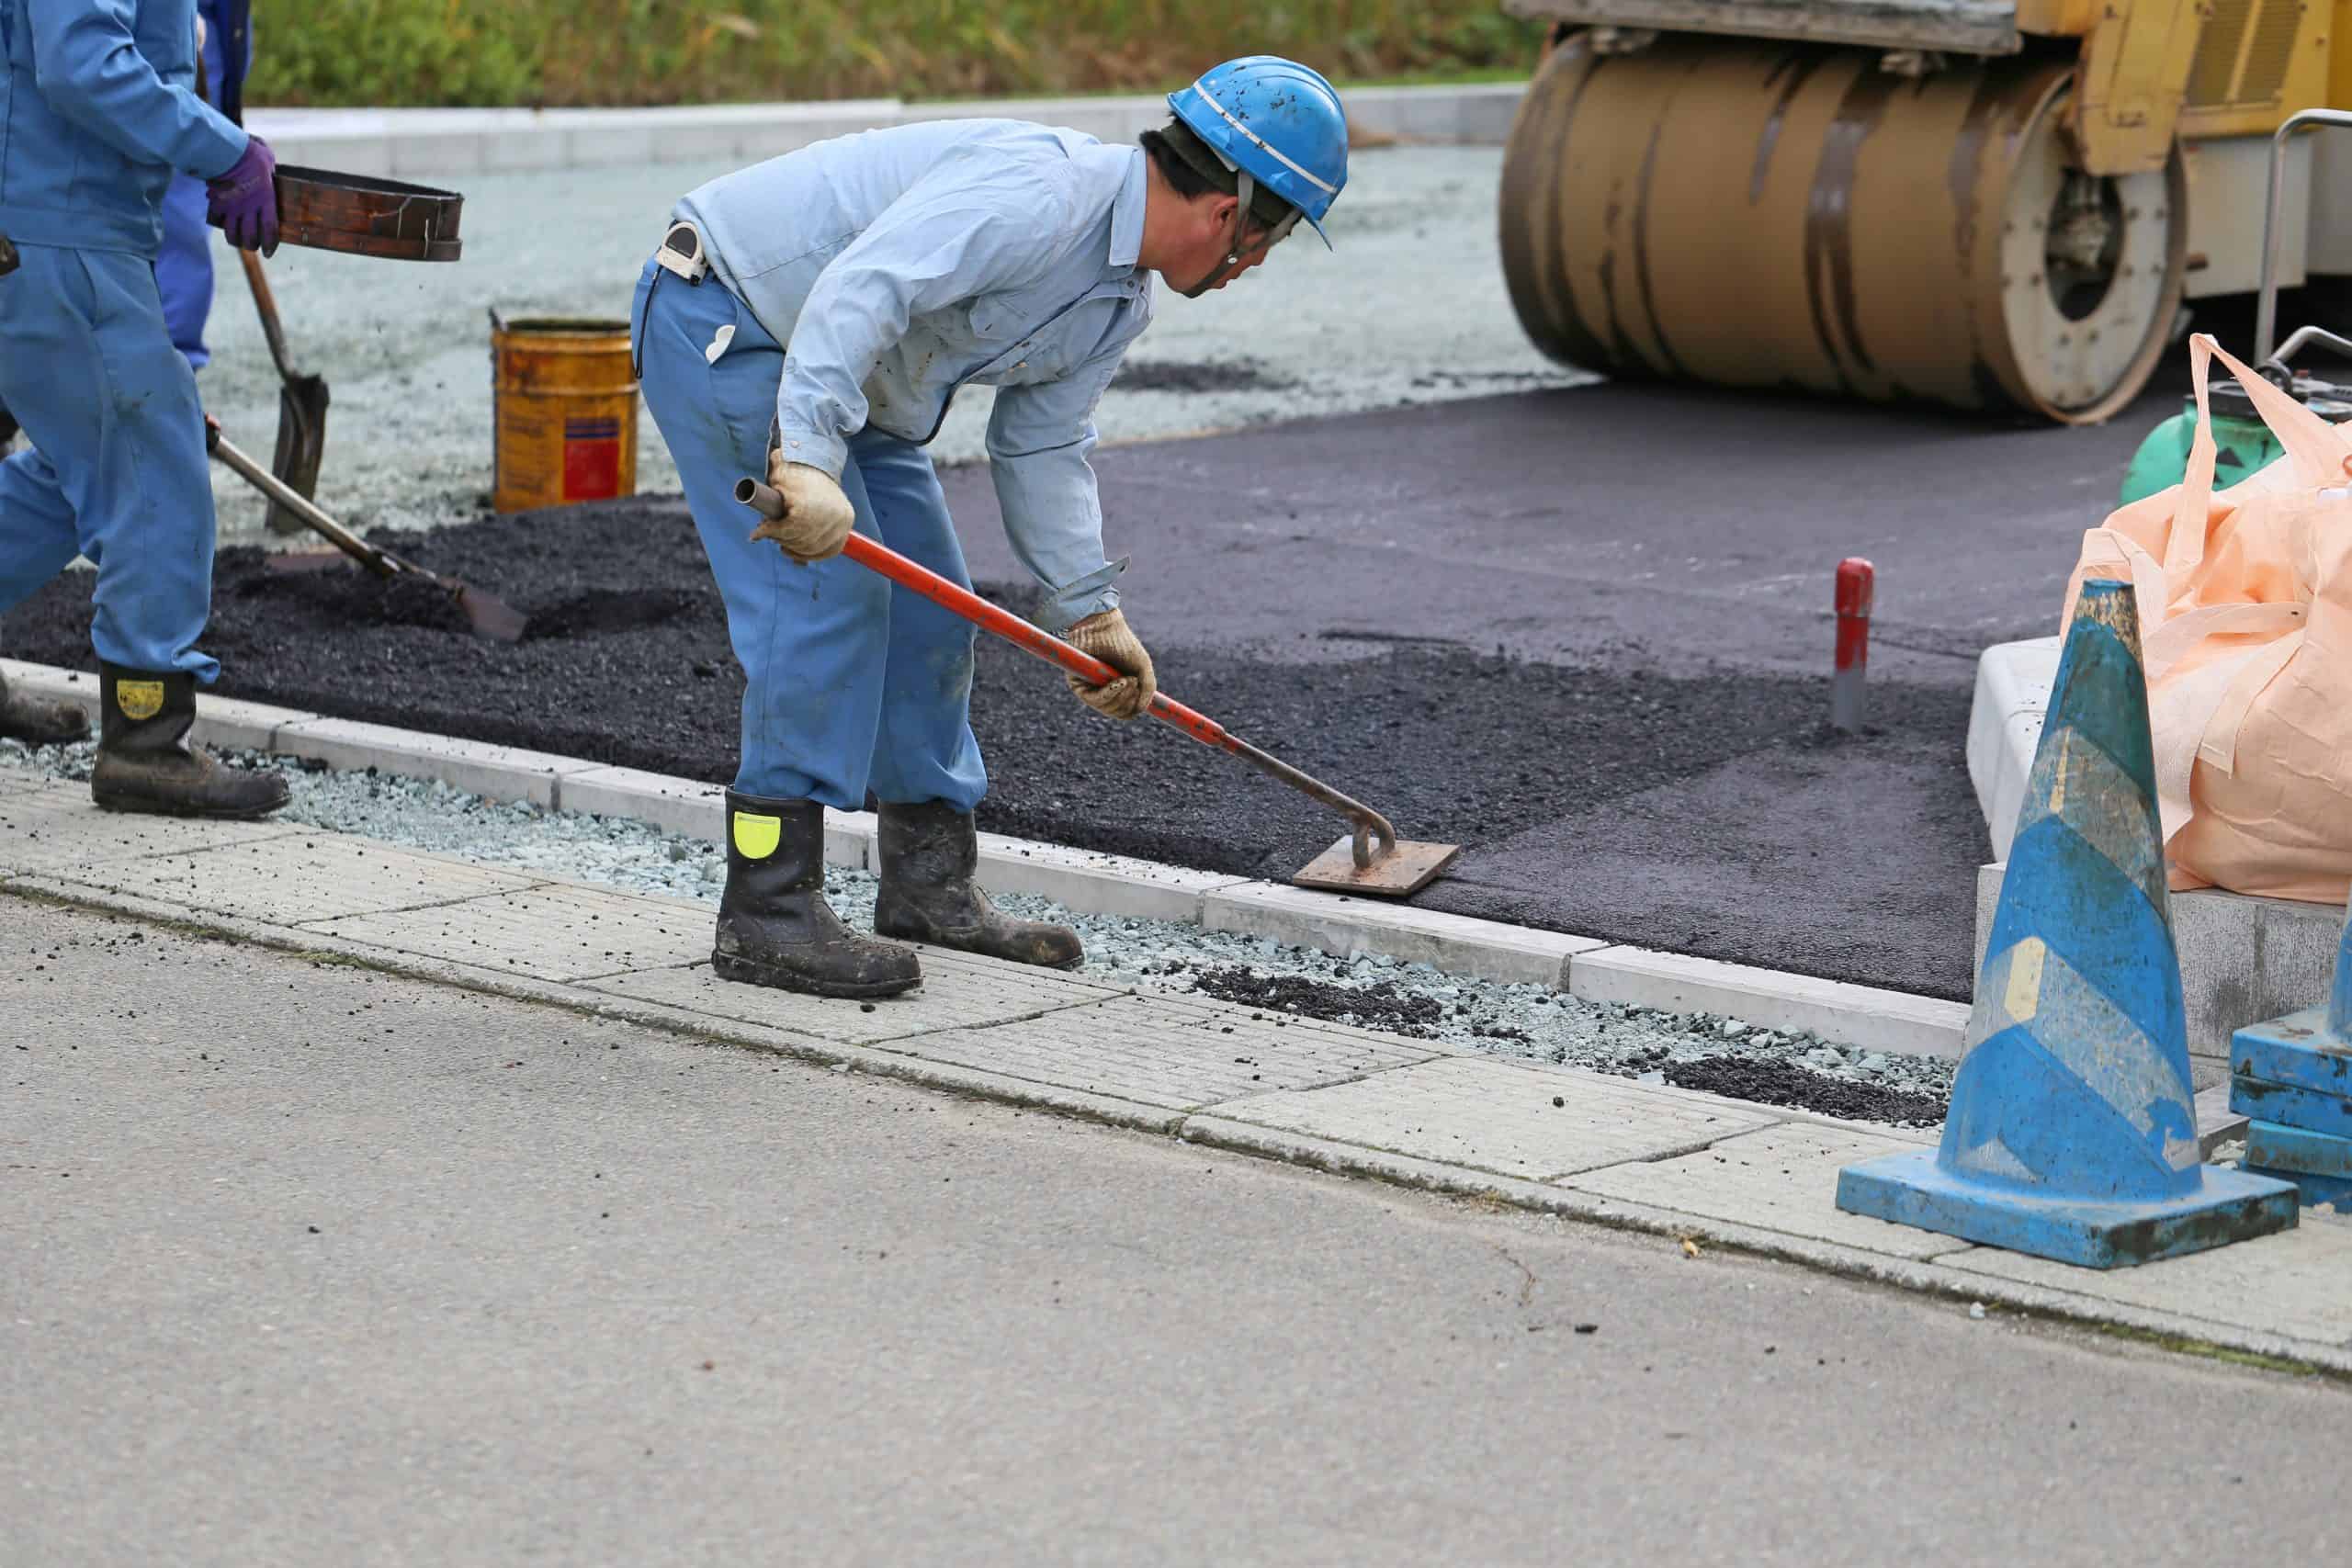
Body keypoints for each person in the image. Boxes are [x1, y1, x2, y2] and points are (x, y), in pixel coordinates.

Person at [631, 55, 1349, 998]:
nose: (1250, 267)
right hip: (731, 320)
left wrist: (1089, 611)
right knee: (825, 602)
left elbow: (1043, 444)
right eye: (1268, 243)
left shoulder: (1115, 298)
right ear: (1230, 215)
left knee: (935, 617)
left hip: (856, 374)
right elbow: (864, 287)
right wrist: (804, 460)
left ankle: (929, 885)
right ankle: (766, 908)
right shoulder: (1041, 197)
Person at [0, 0, 290, 818]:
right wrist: (223, 149)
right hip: (59, 228)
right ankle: (145, 740)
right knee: (154, 475)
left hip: (51, 223)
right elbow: (82, 63)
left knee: (71, 475)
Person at [155, 0, 250, 371]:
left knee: (185, 225)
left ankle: (171, 375)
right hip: (158, 44)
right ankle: (165, 370)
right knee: (174, 225)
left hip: (209, 37)